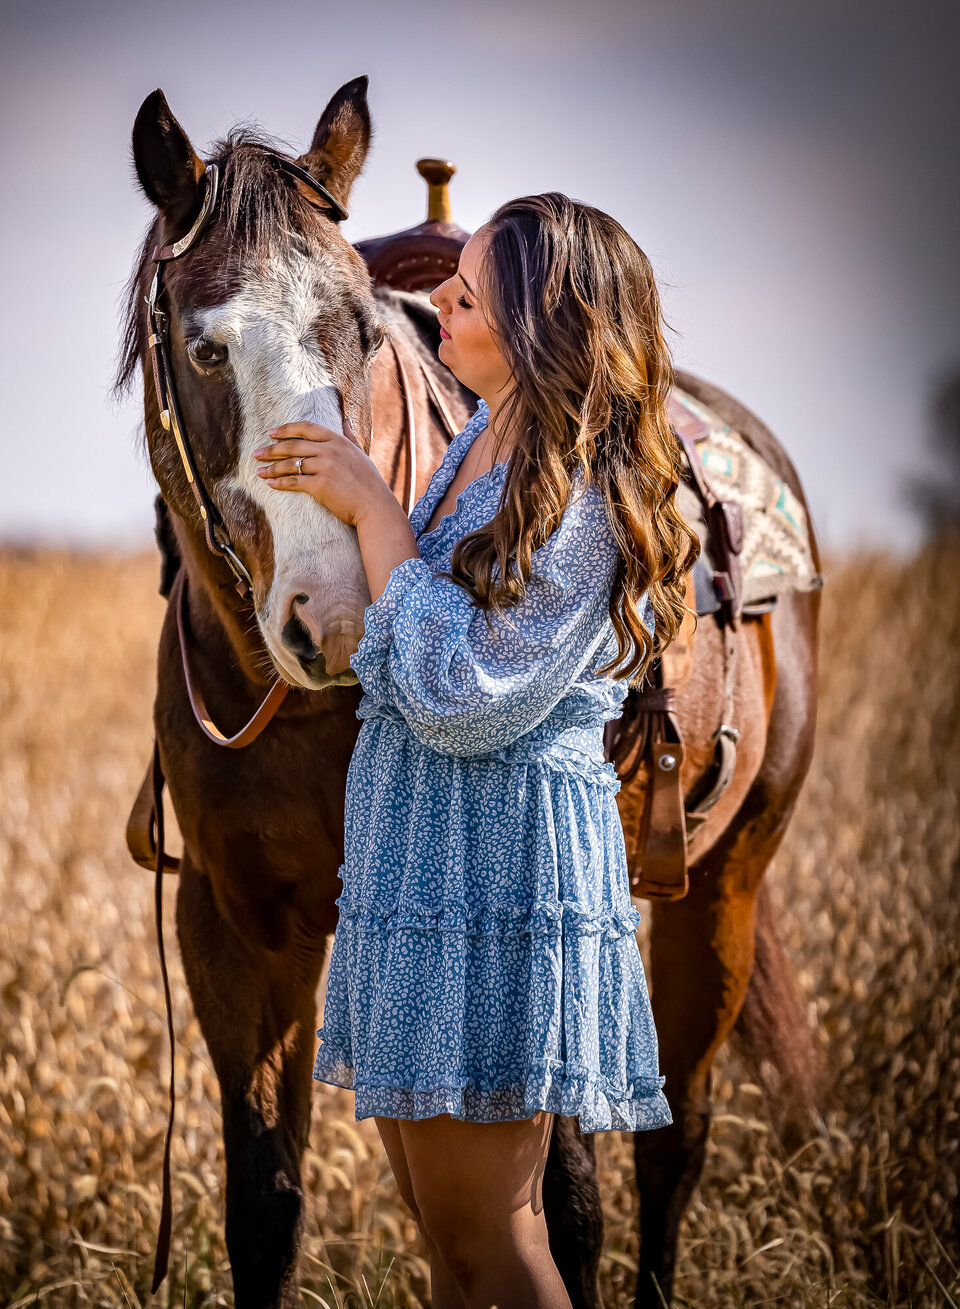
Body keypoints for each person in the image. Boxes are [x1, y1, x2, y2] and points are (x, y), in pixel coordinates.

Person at [251, 192, 699, 1309]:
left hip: (493, 872)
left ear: (545, 326)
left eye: (467, 293)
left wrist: (371, 509)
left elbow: (465, 692)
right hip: (430, 858)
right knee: (452, 1247)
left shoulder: (584, 488)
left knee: (491, 1235)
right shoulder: (482, 443)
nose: (436, 303)